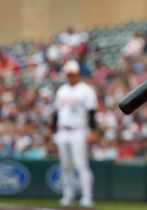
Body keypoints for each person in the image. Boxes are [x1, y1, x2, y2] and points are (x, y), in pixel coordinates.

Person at [52, 60, 98, 207]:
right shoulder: (62, 90)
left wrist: (92, 131)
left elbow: (92, 113)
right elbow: (56, 112)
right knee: (65, 165)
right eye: (69, 74)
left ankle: (87, 197)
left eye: (73, 74)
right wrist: (52, 129)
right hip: (63, 131)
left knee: (81, 164)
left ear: (78, 74)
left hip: (79, 130)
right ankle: (68, 195)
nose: (71, 76)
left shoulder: (86, 90)